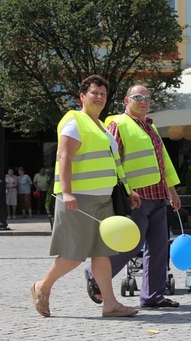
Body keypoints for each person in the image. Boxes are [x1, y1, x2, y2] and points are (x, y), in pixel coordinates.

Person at [30, 75, 139, 318]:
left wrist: (127, 190)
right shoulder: (74, 121)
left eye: (103, 94)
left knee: (102, 254)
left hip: (102, 199)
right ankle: (42, 286)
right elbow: (64, 157)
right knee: (73, 255)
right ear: (82, 97)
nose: (100, 97)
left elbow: (113, 164)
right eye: (94, 93)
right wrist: (66, 192)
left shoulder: (100, 127)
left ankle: (110, 304)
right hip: (78, 200)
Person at [85, 84, 182, 309]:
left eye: (147, 97)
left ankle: (153, 296)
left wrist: (173, 191)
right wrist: (127, 190)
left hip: (158, 195)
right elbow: (112, 161)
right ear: (126, 100)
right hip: (136, 197)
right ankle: (95, 275)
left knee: (159, 247)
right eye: (137, 97)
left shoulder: (150, 126)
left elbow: (163, 161)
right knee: (131, 243)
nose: (143, 101)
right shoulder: (118, 124)